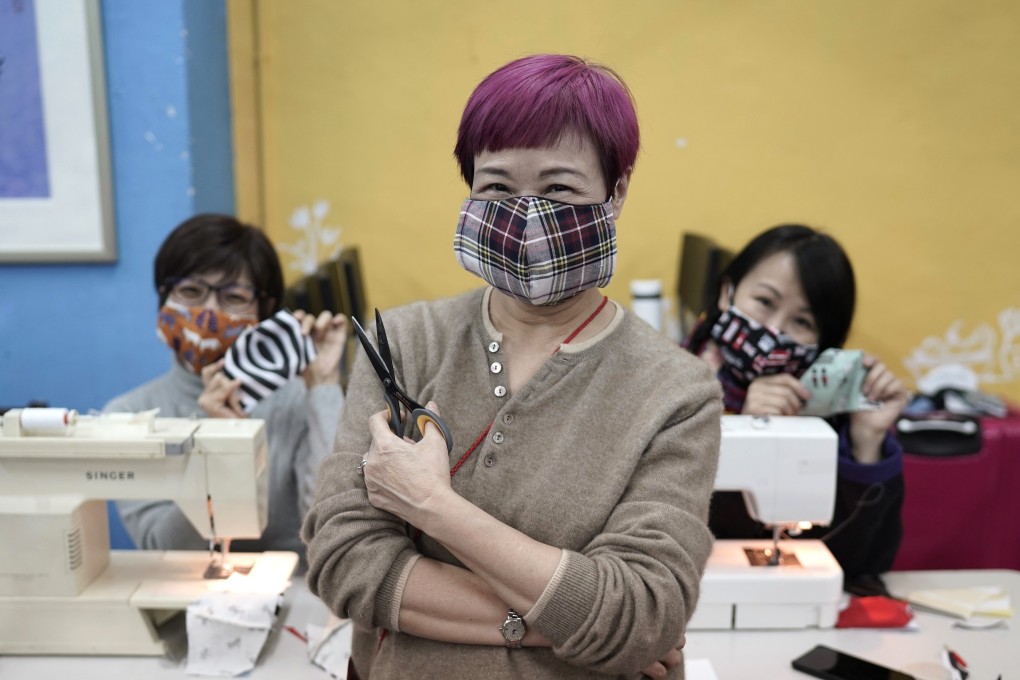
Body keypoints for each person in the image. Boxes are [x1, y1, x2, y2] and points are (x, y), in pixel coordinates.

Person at [302, 54, 722, 680]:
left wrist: (430, 505)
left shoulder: (676, 393)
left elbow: (643, 610)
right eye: (496, 187)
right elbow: (342, 558)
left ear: (617, 192)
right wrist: (560, 629)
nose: (525, 216)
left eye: (558, 188)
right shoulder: (403, 344)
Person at [104, 213, 347, 571]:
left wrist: (324, 386)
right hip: (180, 601)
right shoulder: (127, 416)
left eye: (234, 297)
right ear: (163, 301)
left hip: (294, 601)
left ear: (264, 311)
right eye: (190, 292)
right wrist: (220, 444)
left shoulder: (299, 400)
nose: (209, 312)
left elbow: (328, 531)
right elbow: (164, 546)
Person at [682, 224, 908, 594]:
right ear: (728, 292)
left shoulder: (834, 411)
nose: (774, 330)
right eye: (765, 302)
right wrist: (742, 432)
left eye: (802, 321)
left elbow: (864, 566)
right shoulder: (671, 386)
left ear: (826, 340)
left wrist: (868, 440)